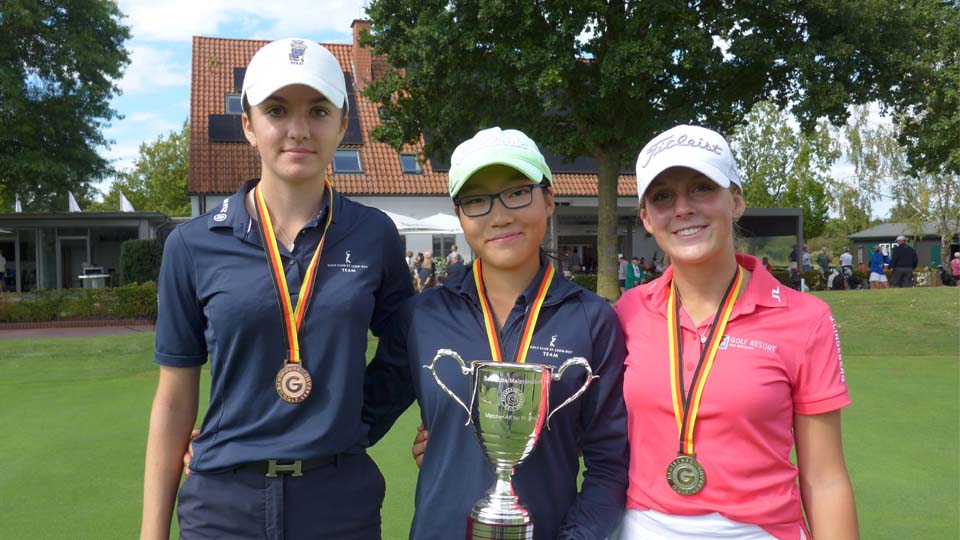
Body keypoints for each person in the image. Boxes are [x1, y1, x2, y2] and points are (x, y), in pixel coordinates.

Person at [140, 38, 414, 540]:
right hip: (223, 504)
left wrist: (355, 423)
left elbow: (407, 350)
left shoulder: (374, 236)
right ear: (248, 125)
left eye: (317, 110)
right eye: (276, 110)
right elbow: (174, 398)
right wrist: (151, 534)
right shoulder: (192, 245)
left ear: (342, 123)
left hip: (339, 503)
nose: (298, 130)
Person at [363, 127, 628, 540]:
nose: (499, 214)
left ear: (549, 200)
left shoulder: (593, 319)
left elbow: (610, 463)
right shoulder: (421, 317)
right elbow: (359, 421)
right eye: (476, 200)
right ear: (460, 215)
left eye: (517, 192)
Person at [612, 125, 858, 539]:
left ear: (736, 201)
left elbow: (825, 479)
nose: (683, 208)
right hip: (643, 527)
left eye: (702, 188)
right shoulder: (627, 312)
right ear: (646, 219)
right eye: (663, 196)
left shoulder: (806, 318)